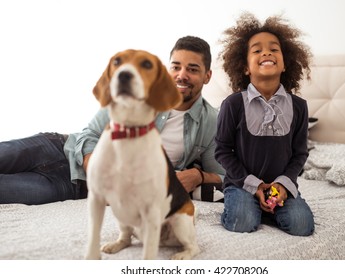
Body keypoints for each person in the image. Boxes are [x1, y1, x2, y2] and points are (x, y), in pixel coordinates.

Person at [0, 36, 224, 205]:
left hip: (74, 186)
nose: (181, 75)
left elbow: (225, 175)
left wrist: (198, 175)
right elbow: (90, 134)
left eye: (192, 69)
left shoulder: (211, 122)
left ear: (207, 76)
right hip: (58, 147)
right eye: (176, 66)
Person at [214, 12, 314, 236]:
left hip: (281, 187)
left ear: (285, 63)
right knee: (242, 221)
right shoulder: (233, 104)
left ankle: (268, 209)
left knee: (301, 225)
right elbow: (222, 151)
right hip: (242, 184)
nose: (266, 52)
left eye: (274, 49)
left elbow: (299, 154)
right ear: (245, 67)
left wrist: (282, 186)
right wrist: (256, 187)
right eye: (257, 50)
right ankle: (249, 205)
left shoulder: (299, 106)